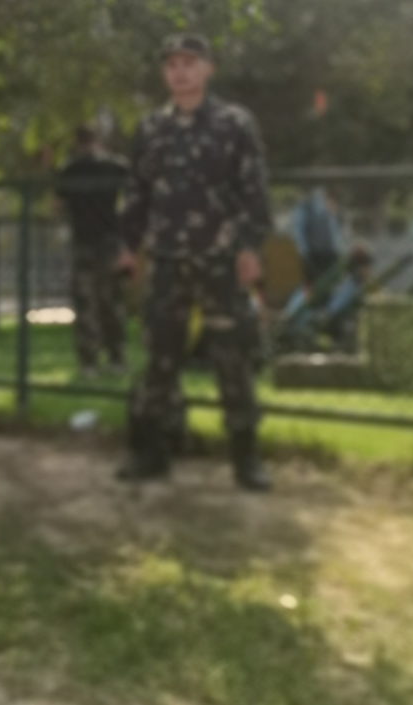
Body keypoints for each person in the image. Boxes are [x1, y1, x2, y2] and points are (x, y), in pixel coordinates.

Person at [117, 33, 273, 491]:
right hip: (166, 260)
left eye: (189, 63)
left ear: (208, 69)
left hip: (220, 260)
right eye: (172, 64)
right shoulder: (151, 129)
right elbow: (136, 192)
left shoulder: (234, 124)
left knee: (232, 358)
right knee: (160, 358)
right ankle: (151, 453)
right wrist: (128, 245)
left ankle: (246, 459)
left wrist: (249, 246)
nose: (180, 72)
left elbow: (253, 189)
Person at [55, 125, 129, 375]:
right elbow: (134, 193)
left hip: (83, 242)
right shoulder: (117, 166)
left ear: (78, 143)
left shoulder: (70, 169)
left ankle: (89, 362)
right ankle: (116, 358)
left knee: (86, 303)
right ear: (99, 141)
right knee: (112, 302)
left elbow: (57, 205)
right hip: (110, 242)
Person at [292, 187, 344, 287]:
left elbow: (335, 234)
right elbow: (299, 233)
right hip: (315, 257)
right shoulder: (307, 207)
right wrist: (305, 256)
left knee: (331, 286)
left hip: (331, 256)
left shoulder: (330, 212)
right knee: (315, 287)